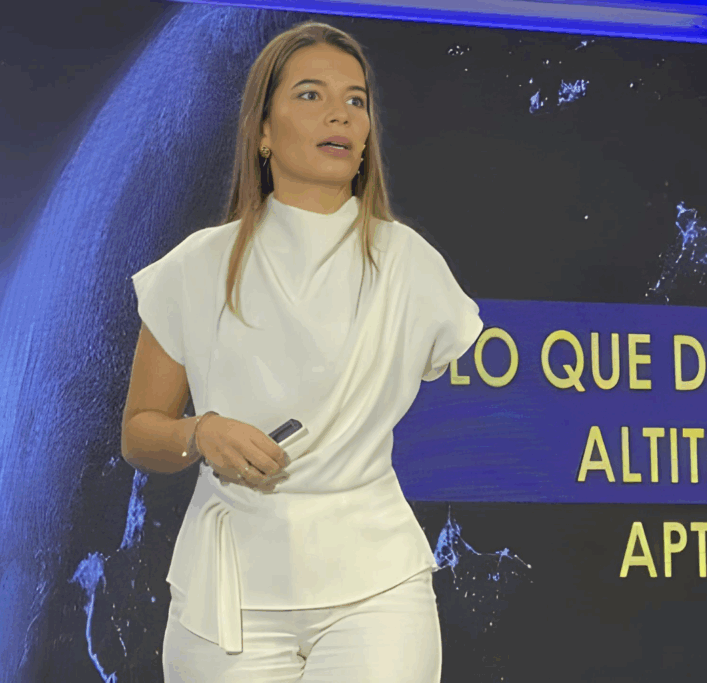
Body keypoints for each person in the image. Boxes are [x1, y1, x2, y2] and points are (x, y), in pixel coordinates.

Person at [120, 20, 483, 682]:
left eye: (357, 98)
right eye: (311, 95)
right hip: (227, 599)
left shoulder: (411, 265)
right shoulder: (194, 268)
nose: (340, 113)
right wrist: (201, 432)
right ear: (261, 131)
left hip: (377, 587)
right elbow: (141, 433)